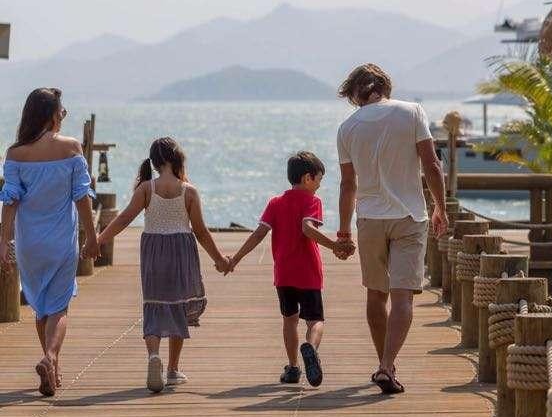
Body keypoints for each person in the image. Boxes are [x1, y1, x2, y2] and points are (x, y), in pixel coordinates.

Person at [335, 64, 447, 394]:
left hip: (369, 219)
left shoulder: (347, 128)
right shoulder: (412, 112)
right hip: (410, 216)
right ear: (385, 87)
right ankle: (386, 365)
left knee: (375, 294)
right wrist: (441, 207)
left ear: (355, 95)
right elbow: (431, 165)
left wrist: (343, 232)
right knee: (402, 297)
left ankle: (385, 364)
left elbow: (347, 184)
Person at [95, 137, 229, 393]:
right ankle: (172, 369)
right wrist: (220, 259)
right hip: (181, 251)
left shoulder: (147, 188)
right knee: (178, 305)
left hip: (154, 250)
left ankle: (153, 355)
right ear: (177, 158)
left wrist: (99, 240)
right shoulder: (188, 190)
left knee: (154, 304)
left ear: (154, 163)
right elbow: (200, 232)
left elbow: (124, 219)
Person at [0, 88, 98, 396]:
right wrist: (92, 237)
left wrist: (4, 241)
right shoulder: (71, 149)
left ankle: (52, 372)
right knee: (60, 307)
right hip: (60, 243)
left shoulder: (16, 153)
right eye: (62, 111)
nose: (63, 116)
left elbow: (10, 201)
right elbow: (82, 197)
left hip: (29, 244)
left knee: (40, 308)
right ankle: (51, 357)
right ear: (52, 114)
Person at [228, 151, 344, 387]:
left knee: (289, 320)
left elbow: (259, 233)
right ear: (307, 178)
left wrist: (236, 258)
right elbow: (307, 228)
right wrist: (334, 246)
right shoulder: (312, 201)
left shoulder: (275, 202)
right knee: (315, 320)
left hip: (284, 273)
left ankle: (293, 368)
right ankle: (310, 348)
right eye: (319, 180)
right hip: (308, 273)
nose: (319, 186)